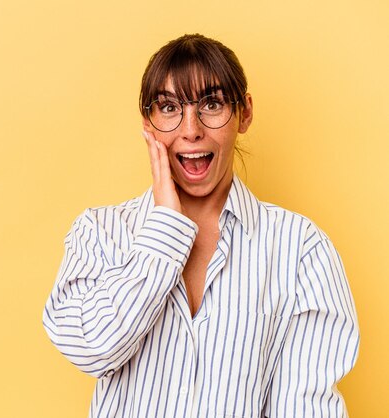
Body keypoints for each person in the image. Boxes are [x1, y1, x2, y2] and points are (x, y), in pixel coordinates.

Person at [42, 34, 359, 417]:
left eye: (212, 104)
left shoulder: (301, 249)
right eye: (169, 107)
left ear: (244, 113)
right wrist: (164, 232)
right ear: (148, 122)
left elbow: (306, 408)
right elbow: (90, 348)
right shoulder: (101, 233)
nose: (191, 129)